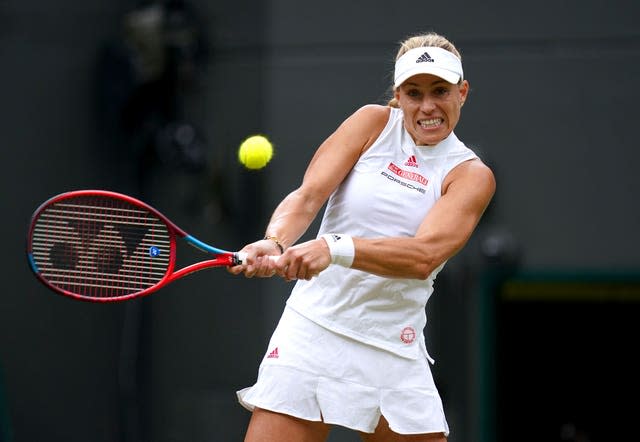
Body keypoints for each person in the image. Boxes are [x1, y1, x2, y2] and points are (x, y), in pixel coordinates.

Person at [229, 31, 496, 442]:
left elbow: (424, 256)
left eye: (440, 90)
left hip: (393, 345)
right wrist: (276, 240)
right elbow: (307, 196)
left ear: (463, 92)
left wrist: (333, 248)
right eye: (414, 92)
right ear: (398, 94)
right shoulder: (371, 123)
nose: (427, 106)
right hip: (314, 329)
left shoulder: (471, 175)